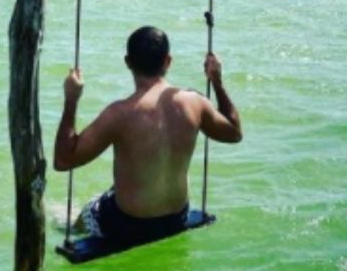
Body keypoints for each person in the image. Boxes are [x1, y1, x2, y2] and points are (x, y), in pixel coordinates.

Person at [54, 26, 242, 245]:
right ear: (168, 61)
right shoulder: (195, 102)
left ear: (128, 62)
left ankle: (61, 221)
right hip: (176, 218)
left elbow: (63, 160)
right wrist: (217, 82)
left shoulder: (120, 113)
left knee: (79, 215)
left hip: (128, 225)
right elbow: (235, 132)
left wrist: (71, 100)